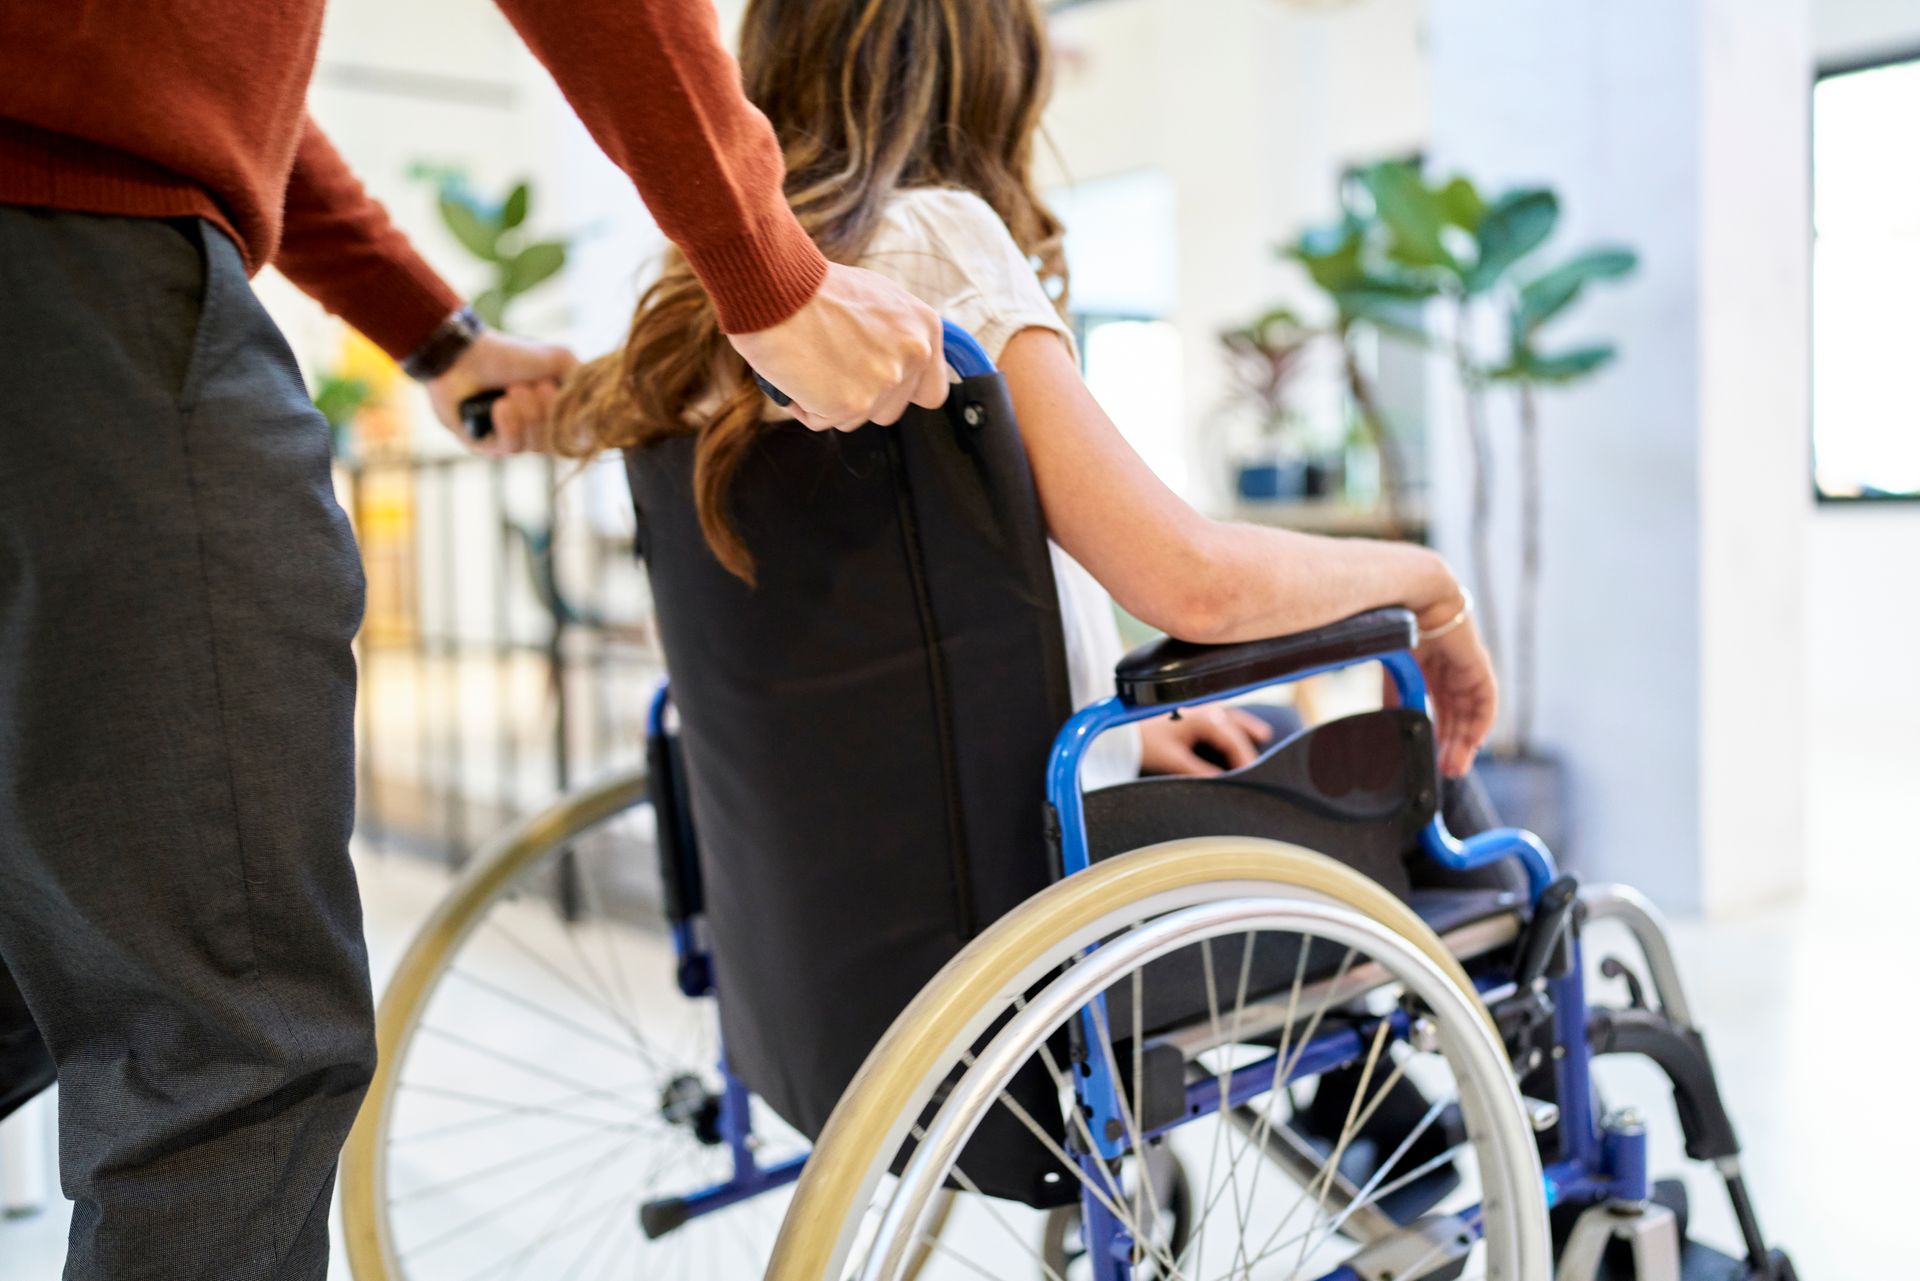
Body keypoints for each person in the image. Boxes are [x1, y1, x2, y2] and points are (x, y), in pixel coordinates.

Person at [0, 3, 952, 1276]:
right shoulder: (968, 267)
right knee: (226, 1043)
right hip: (73, 268)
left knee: (46, 952)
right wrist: (765, 268)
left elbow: (206, 78)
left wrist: (436, 332)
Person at [555, 0, 1498, 791]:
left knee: (1233, 728)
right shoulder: (935, 241)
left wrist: (1127, 734)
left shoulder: (696, 315)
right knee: (1473, 845)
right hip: (1033, 894)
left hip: (841, 909)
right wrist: (1425, 580)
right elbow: (1194, 587)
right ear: (989, 76)